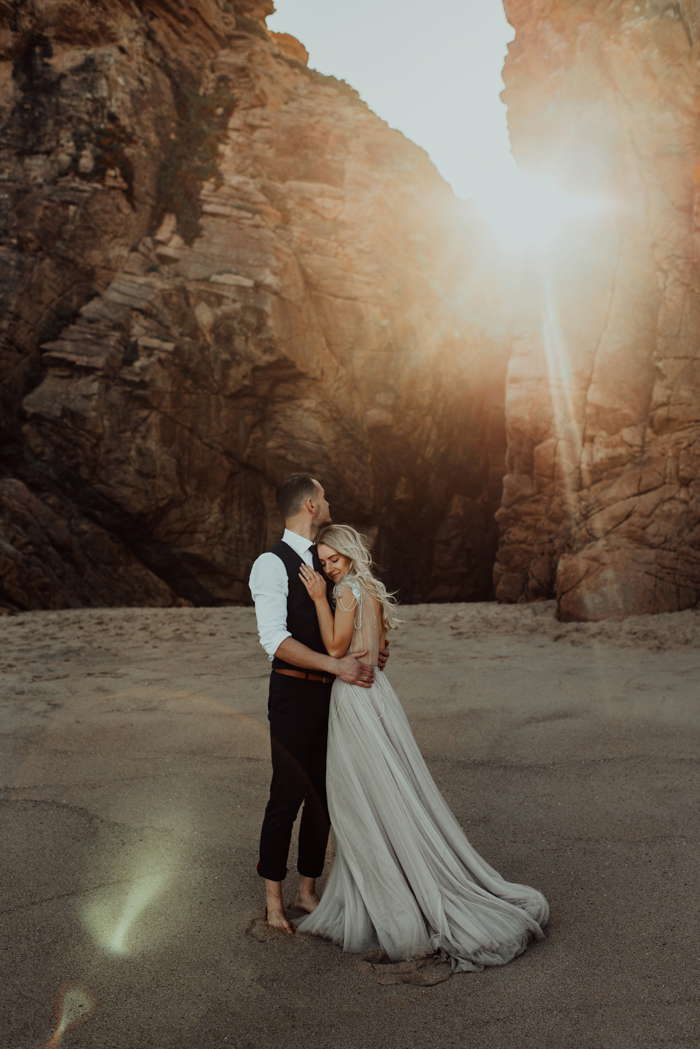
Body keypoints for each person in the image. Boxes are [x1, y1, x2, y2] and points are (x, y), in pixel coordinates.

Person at [294, 524, 549, 972]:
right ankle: (394, 881)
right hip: (379, 695)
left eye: (334, 559)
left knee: (360, 797)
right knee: (386, 789)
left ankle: (394, 901)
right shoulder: (367, 587)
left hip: (354, 698)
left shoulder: (343, 593)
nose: (329, 568)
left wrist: (318, 598)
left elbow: (336, 647)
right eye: (324, 562)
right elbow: (380, 646)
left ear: (350, 556)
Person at [248, 475, 389, 934]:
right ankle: (273, 899)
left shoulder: (330, 560)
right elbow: (274, 641)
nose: (328, 503)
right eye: (324, 497)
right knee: (286, 795)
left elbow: (348, 622)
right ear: (311, 504)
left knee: (324, 797)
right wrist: (338, 667)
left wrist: (372, 649)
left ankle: (307, 890)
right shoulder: (270, 564)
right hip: (293, 694)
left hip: (336, 695)